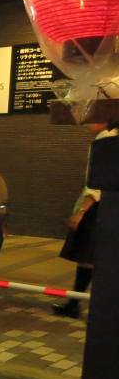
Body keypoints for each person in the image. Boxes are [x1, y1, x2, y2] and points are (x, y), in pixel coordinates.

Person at [52, 122, 119, 318]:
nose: (86, 121)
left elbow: (97, 182)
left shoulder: (106, 138)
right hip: (107, 206)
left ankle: (77, 304)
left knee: (89, 258)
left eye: (92, 116)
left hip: (98, 207)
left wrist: (81, 211)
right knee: (95, 258)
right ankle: (78, 303)